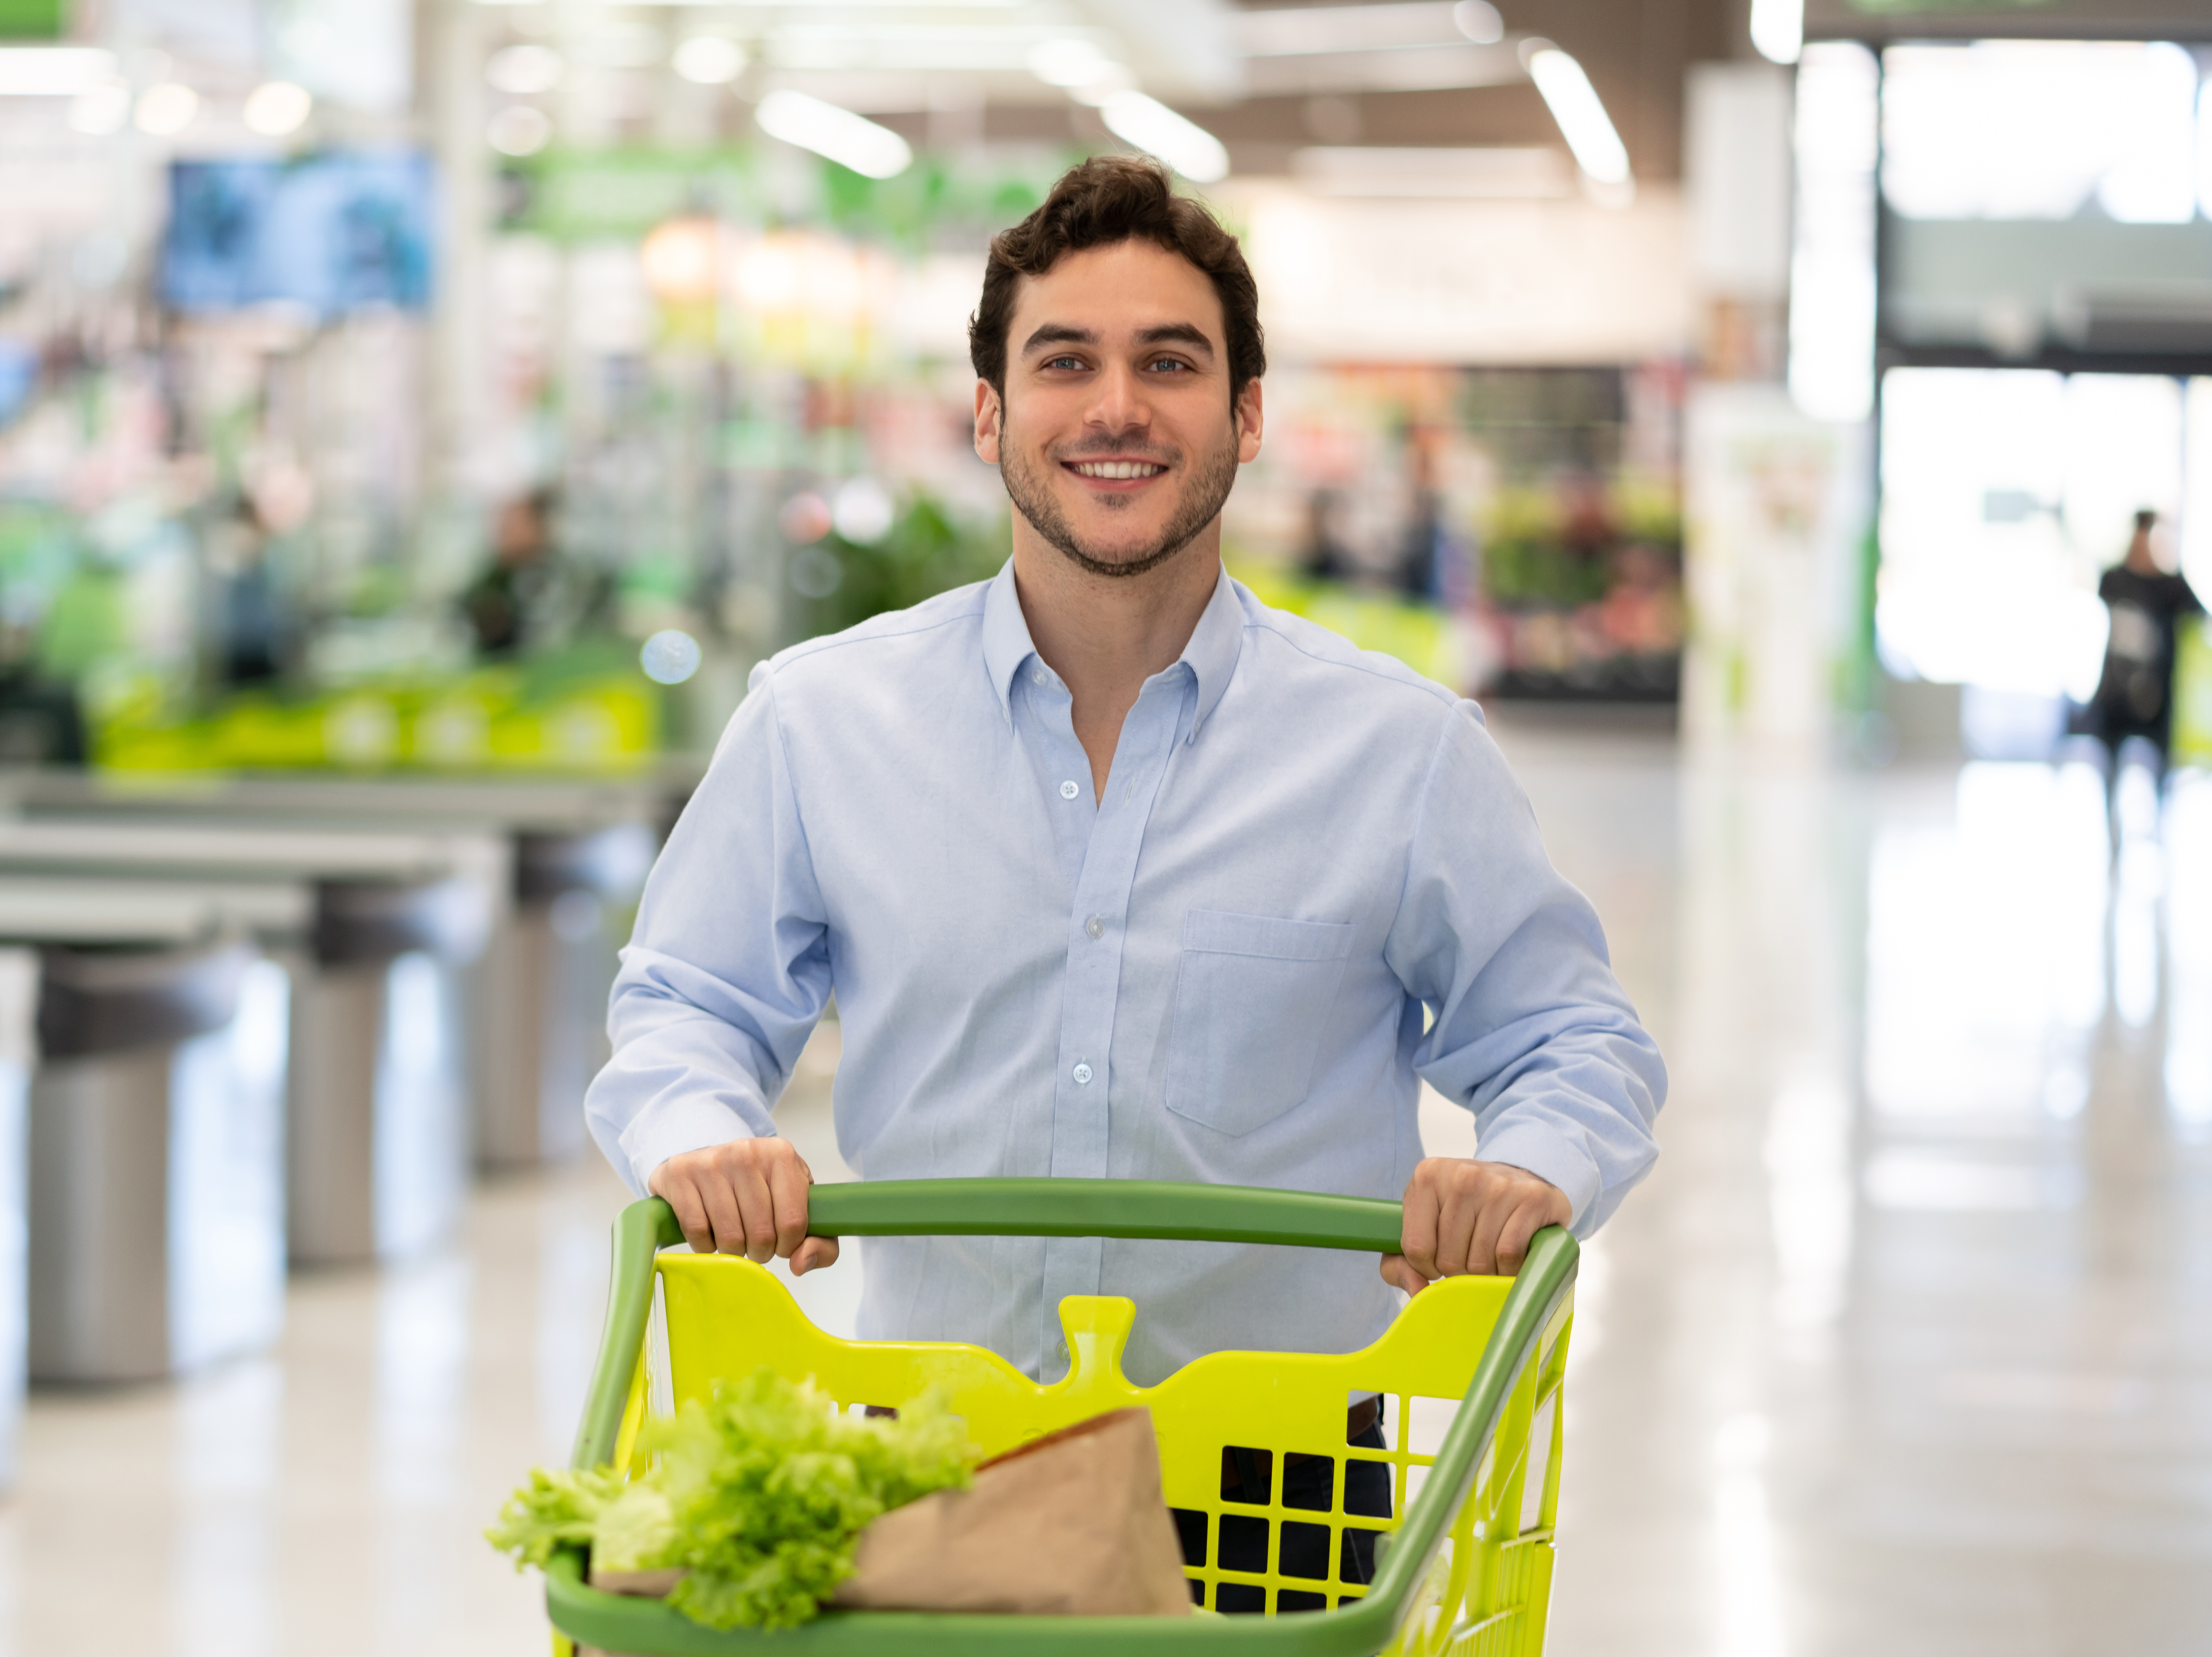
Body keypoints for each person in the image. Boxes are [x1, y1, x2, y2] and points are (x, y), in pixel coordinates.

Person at [585, 156, 1664, 1388]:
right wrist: (706, 1135)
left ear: (1245, 414)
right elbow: (686, 1003)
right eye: (1063, 362)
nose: (1116, 408)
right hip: (939, 1458)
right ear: (989, 414)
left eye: (1168, 362)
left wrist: (1525, 1167)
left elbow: (1570, 1038)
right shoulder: (820, 721)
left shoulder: (1400, 751)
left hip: (1276, 1488)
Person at [2084, 510, 2203, 774]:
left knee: (2158, 758)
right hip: (2116, 690)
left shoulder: (2171, 587)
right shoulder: (2115, 580)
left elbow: (2199, 615)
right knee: (2111, 757)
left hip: (2156, 690)